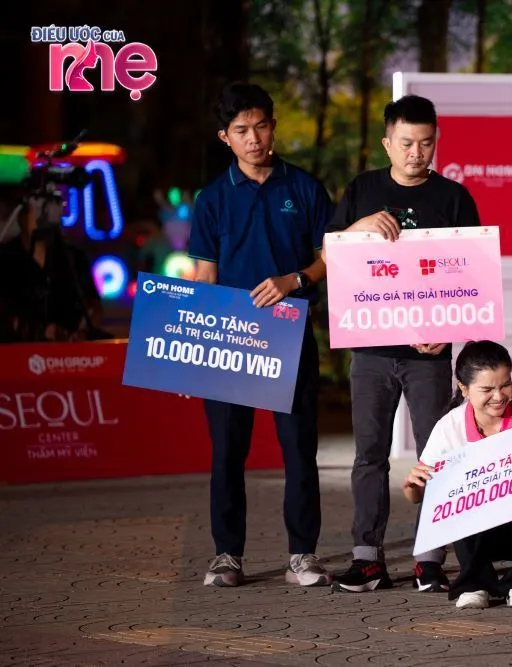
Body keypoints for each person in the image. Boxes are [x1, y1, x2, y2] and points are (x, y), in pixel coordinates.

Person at [329, 94, 481, 593]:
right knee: (368, 455)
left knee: (438, 453)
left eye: (427, 142)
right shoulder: (362, 190)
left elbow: (473, 273)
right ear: (387, 142)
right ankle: (367, 558)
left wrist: (449, 328)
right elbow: (329, 255)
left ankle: (429, 559)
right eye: (407, 142)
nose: (418, 152)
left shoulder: (454, 198)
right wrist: (358, 227)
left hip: (429, 357)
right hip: (370, 351)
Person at [187, 82, 333, 588]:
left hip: (289, 335)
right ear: (224, 137)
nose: (254, 139)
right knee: (227, 451)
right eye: (242, 131)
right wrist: (194, 357)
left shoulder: (305, 188)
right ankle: (227, 555)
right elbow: (203, 278)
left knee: (299, 450)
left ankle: (303, 554)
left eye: (262, 126)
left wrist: (296, 280)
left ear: (274, 125)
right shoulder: (210, 200)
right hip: (227, 340)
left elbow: (329, 256)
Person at [402, 340, 512, 609]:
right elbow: (416, 497)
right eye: (487, 389)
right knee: (455, 495)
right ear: (464, 389)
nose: (498, 396)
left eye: (505, 384)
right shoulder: (449, 427)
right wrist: (412, 483)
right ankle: (474, 583)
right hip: (477, 532)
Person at [0, 188, 105, 343]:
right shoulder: (6, 258)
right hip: (17, 352)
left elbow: (93, 305)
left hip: (70, 353)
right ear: (21, 215)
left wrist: (82, 331)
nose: (43, 217)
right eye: (37, 209)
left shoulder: (73, 257)